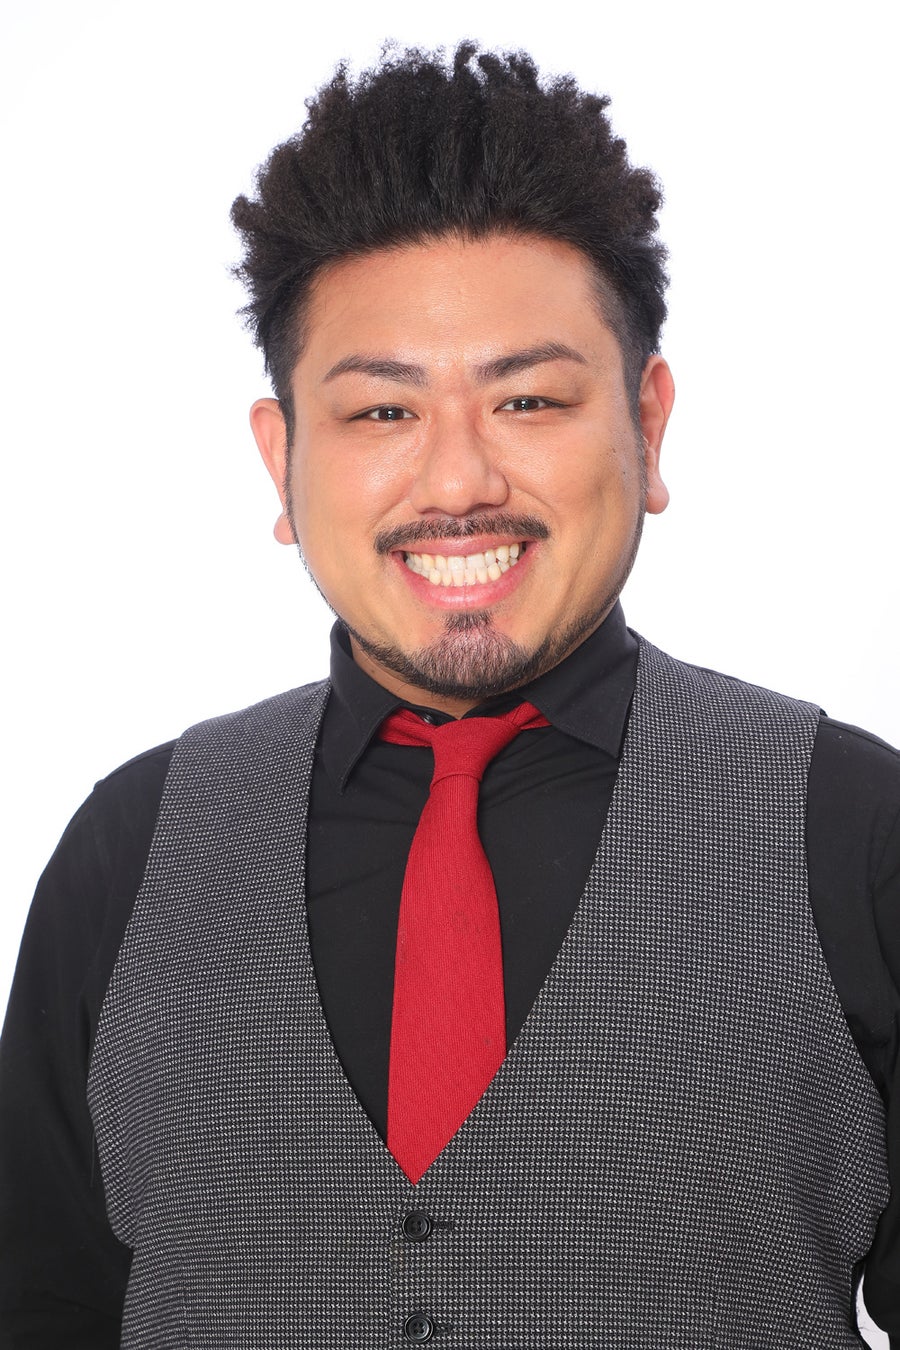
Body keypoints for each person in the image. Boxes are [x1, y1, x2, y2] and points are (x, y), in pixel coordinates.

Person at [2, 41, 899, 1349]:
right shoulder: (127, 853)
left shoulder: (857, 833)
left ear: (649, 425)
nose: (460, 481)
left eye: (528, 398)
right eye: (382, 414)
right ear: (280, 457)